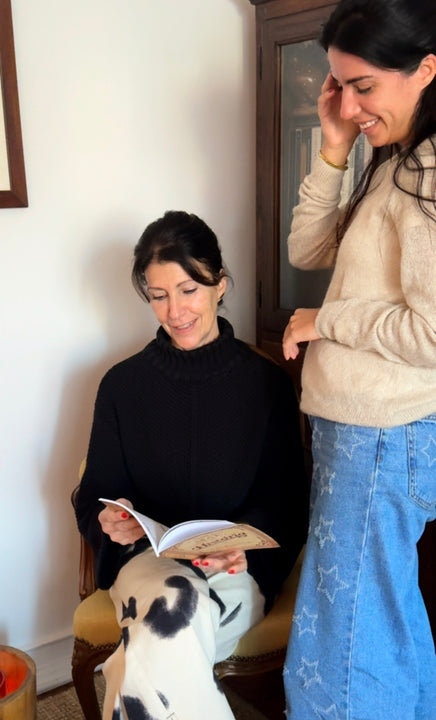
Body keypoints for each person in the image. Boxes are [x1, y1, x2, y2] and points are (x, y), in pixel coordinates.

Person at [75, 210, 309, 720]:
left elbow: (288, 500)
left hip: (234, 569)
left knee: (153, 643)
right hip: (146, 564)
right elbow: (94, 493)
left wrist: (245, 548)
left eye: (188, 290)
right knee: (174, 603)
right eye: (158, 295)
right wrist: (108, 519)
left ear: (219, 285)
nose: (174, 310)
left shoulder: (265, 383)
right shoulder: (121, 386)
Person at [281, 1, 436, 718]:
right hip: (365, 431)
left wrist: (327, 319)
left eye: (363, 86)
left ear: (426, 69)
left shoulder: (427, 171)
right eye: (339, 85)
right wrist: (336, 146)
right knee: (378, 622)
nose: (348, 103)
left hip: (380, 433)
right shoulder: (394, 160)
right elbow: (308, 249)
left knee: (341, 641)